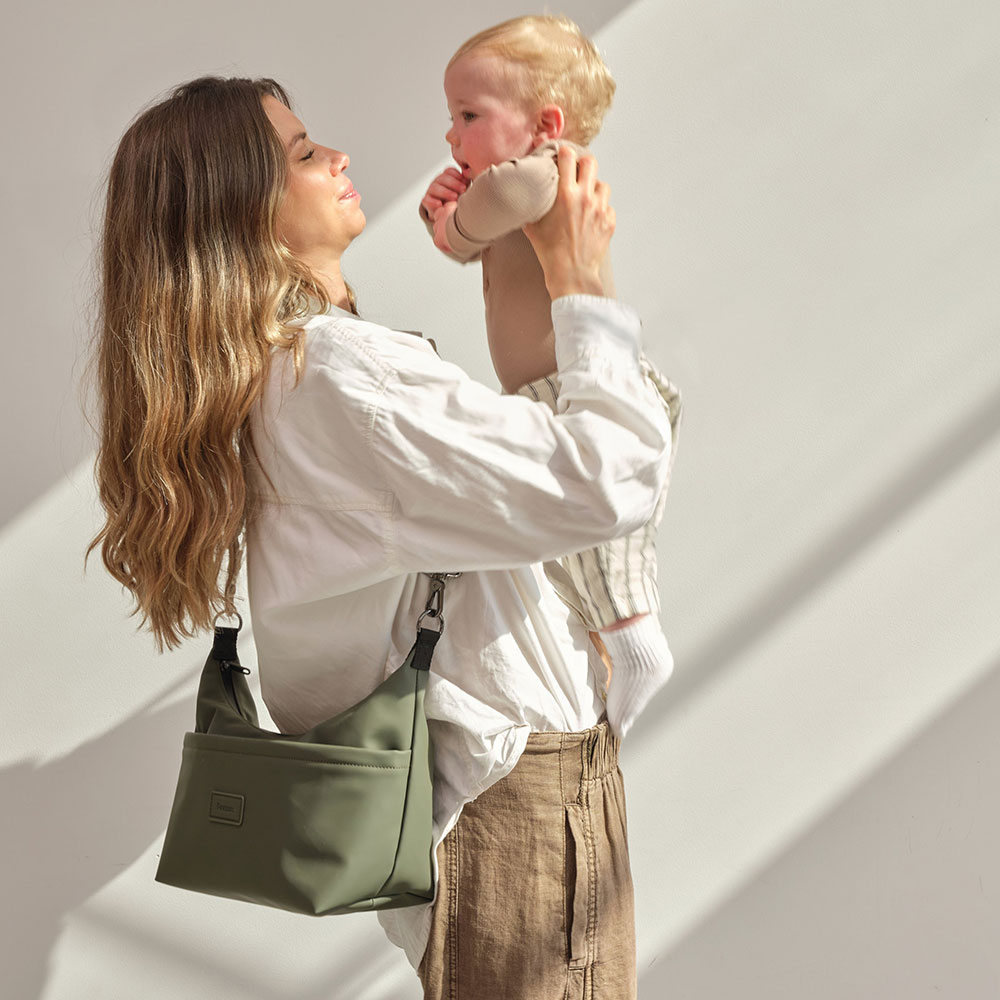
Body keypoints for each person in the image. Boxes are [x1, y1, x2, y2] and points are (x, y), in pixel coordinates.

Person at [89, 76, 673, 999]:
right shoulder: (340, 380)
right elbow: (608, 482)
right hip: (514, 804)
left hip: (492, 797)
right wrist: (581, 280)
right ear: (246, 209)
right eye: (304, 152)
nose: (339, 157)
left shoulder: (284, 376)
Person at [419, 15, 683, 740]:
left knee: (605, 539)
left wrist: (447, 221)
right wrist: (450, 220)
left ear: (547, 123)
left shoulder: (541, 175)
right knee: (575, 546)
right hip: (558, 390)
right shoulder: (525, 185)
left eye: (468, 116)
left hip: (580, 387)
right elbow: (472, 240)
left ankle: (635, 640)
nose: (452, 137)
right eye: (452, 119)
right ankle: (615, 643)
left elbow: (482, 216)